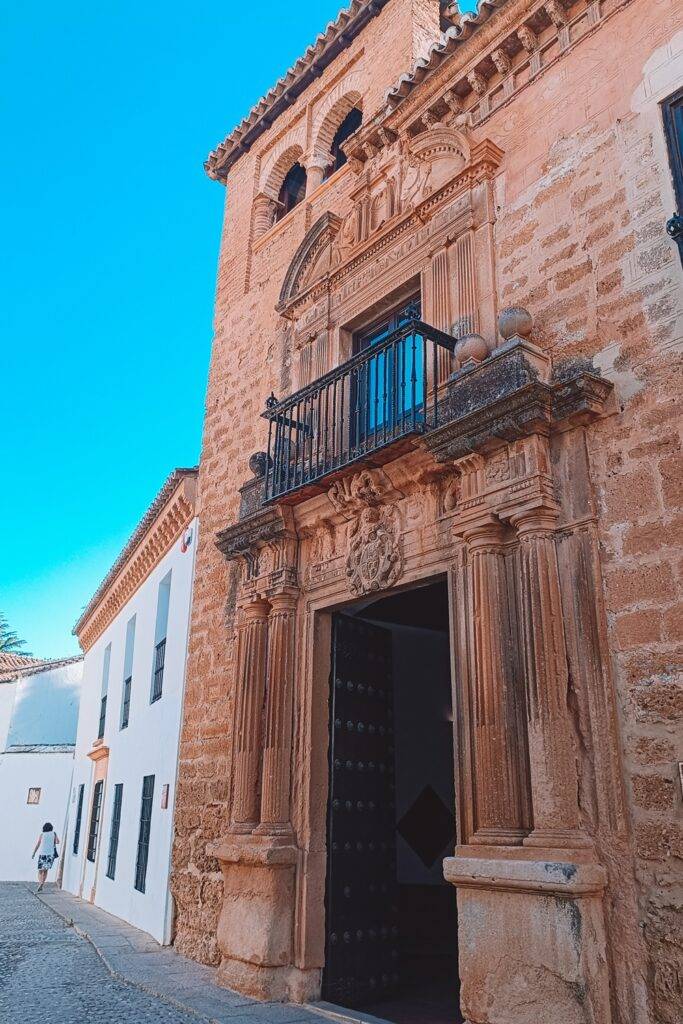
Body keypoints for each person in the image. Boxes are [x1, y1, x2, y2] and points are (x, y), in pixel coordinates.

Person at [32, 822, 59, 891]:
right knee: (45, 870)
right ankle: (42, 883)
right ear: (51, 828)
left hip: (42, 854)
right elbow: (57, 842)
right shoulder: (54, 833)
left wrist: (34, 853)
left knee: (40, 870)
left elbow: (38, 844)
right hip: (50, 855)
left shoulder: (42, 835)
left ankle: (40, 882)